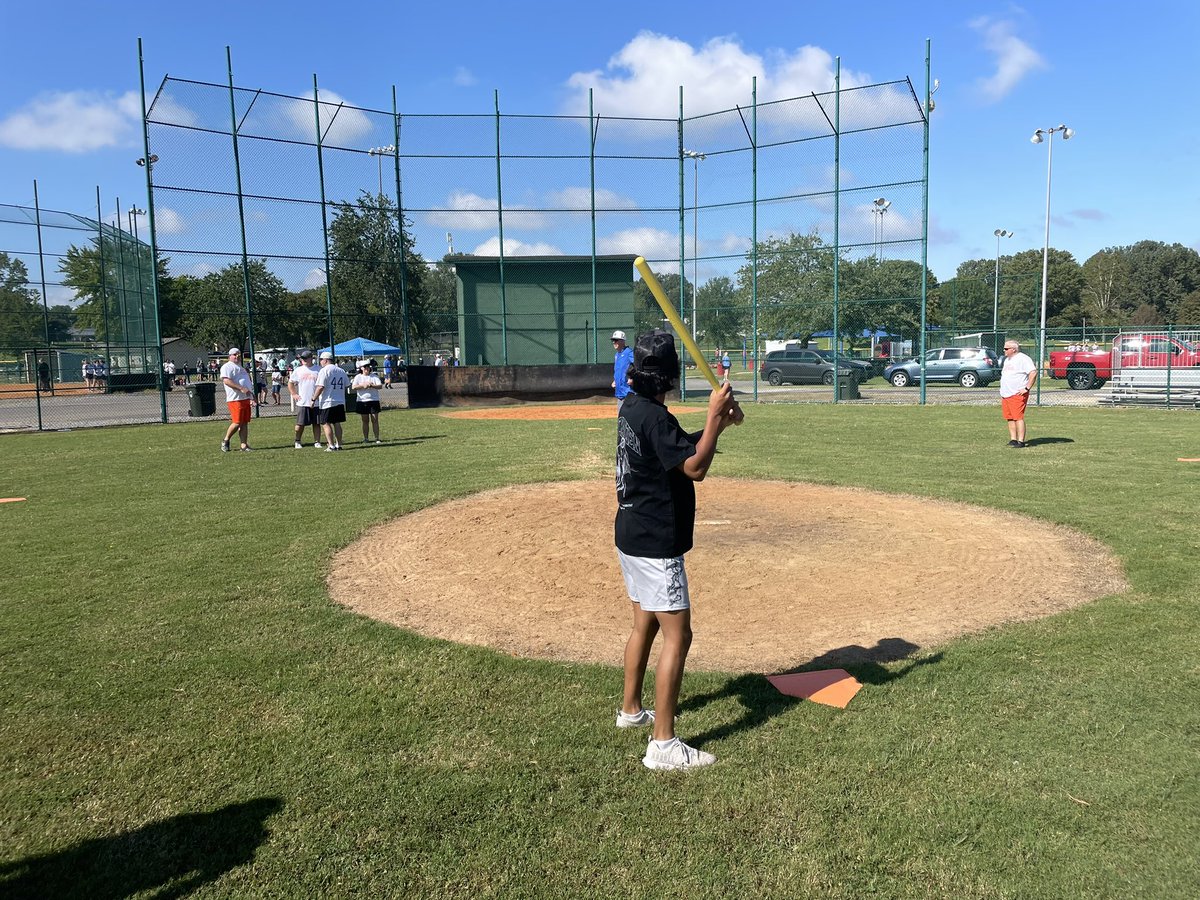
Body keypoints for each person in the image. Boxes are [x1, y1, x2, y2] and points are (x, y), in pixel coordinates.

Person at [614, 329, 743, 771]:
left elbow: (669, 446)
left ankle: (631, 709)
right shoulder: (654, 416)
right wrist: (712, 418)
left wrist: (718, 425)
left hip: (631, 533)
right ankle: (663, 745)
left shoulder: (634, 409)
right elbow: (694, 467)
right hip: (656, 541)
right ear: (668, 378)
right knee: (678, 636)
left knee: (644, 625)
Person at [1000, 339, 1038, 448]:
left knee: (1018, 417)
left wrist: (1026, 388)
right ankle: (1013, 439)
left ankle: (1021, 441)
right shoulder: (1007, 360)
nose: (1004, 350)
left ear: (1014, 349)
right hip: (1006, 394)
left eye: (1006, 348)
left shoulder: (1023, 359)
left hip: (1017, 394)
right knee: (1010, 417)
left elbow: (1033, 372)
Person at [219, 347, 254, 452]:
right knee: (237, 422)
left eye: (238, 354)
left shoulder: (241, 368)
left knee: (244, 422)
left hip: (245, 398)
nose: (237, 356)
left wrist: (252, 396)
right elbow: (226, 381)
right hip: (235, 399)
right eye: (234, 354)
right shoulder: (227, 367)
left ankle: (243, 445)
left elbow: (247, 383)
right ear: (229, 356)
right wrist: (241, 388)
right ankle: (225, 441)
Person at [311, 351, 348, 451]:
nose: (320, 362)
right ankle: (339, 444)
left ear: (326, 360)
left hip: (327, 401)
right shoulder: (341, 370)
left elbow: (320, 387)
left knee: (325, 423)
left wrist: (313, 399)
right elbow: (346, 384)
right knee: (337, 423)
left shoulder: (324, 371)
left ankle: (331, 445)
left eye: (321, 360)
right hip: (339, 400)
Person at [287, 349, 322, 448]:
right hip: (303, 402)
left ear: (311, 358)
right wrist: (294, 394)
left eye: (306, 358)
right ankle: (297, 441)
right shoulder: (298, 370)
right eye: (303, 358)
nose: (304, 360)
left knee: (316, 423)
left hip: (316, 402)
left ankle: (317, 441)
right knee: (300, 423)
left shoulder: (318, 369)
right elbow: (290, 382)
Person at [351, 359, 384, 444]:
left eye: (368, 367)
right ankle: (366, 438)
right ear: (361, 368)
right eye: (365, 367)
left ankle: (377, 438)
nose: (367, 368)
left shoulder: (374, 376)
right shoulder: (358, 377)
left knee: (375, 420)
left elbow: (380, 386)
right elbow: (354, 387)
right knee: (365, 420)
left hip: (373, 400)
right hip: (362, 401)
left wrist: (372, 385)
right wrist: (363, 385)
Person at [611, 329, 634, 412]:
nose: (614, 342)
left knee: (630, 416)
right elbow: (618, 370)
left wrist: (633, 378)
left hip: (628, 391)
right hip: (620, 392)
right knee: (621, 417)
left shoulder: (629, 352)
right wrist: (615, 380)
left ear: (622, 341)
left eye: (615, 340)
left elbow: (637, 365)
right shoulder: (617, 355)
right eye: (613, 340)